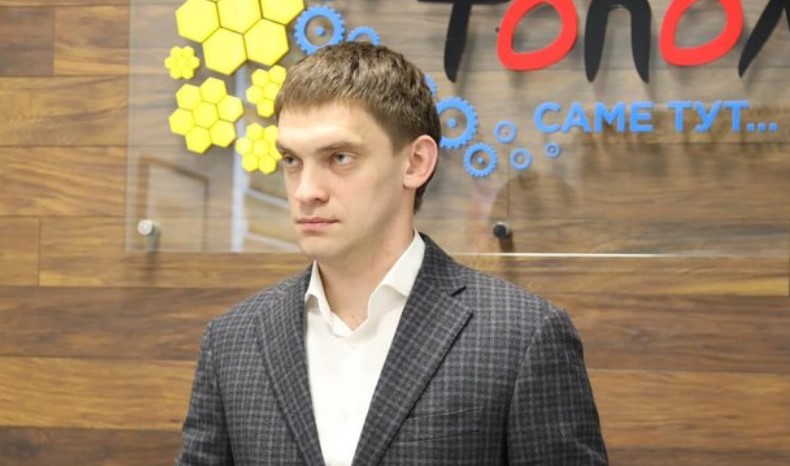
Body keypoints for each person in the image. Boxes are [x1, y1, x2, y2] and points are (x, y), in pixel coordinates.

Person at [177, 42, 608, 466]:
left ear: (416, 162)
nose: (306, 191)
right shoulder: (231, 341)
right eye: (291, 160)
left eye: (339, 157)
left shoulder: (522, 336)